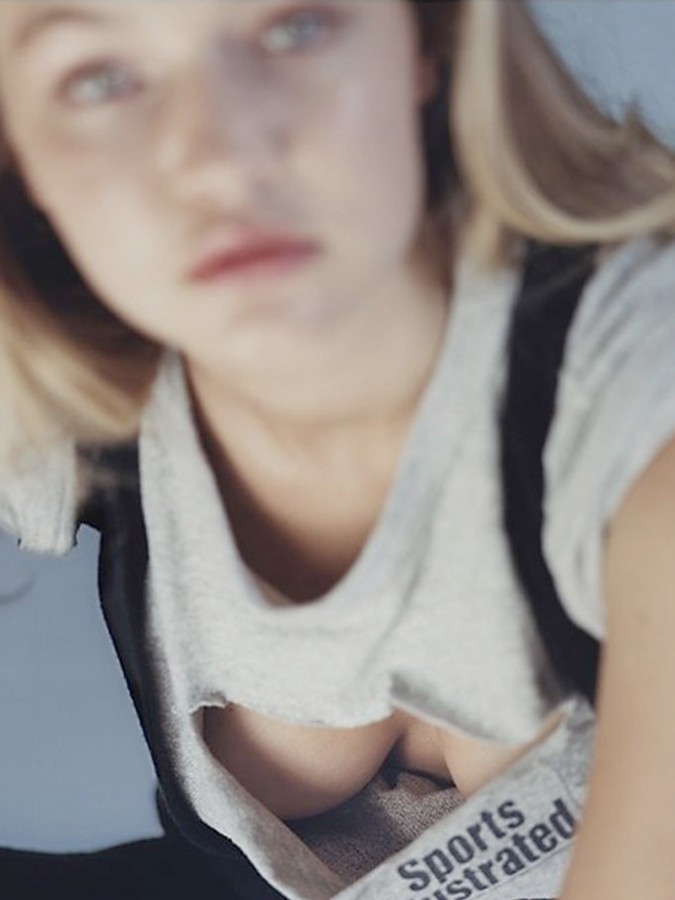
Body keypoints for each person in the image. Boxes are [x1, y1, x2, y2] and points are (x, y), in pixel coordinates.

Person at [0, 1, 675, 898]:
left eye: (296, 27)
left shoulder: (635, 401)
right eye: (97, 79)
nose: (219, 156)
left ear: (427, 37)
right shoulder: (92, 380)